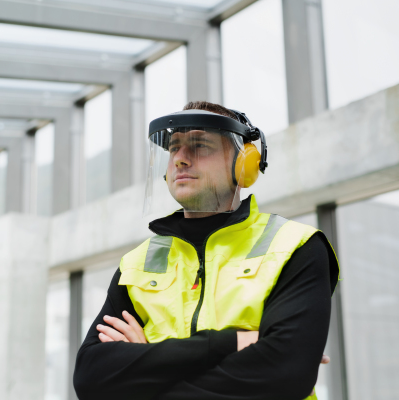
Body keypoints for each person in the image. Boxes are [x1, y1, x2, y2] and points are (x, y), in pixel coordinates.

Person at [73, 101, 339, 400]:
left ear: (244, 163)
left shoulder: (295, 246)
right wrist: (230, 343)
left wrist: (145, 362)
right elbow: (90, 377)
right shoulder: (139, 263)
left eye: (199, 145)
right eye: (174, 148)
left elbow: (283, 375)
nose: (180, 160)